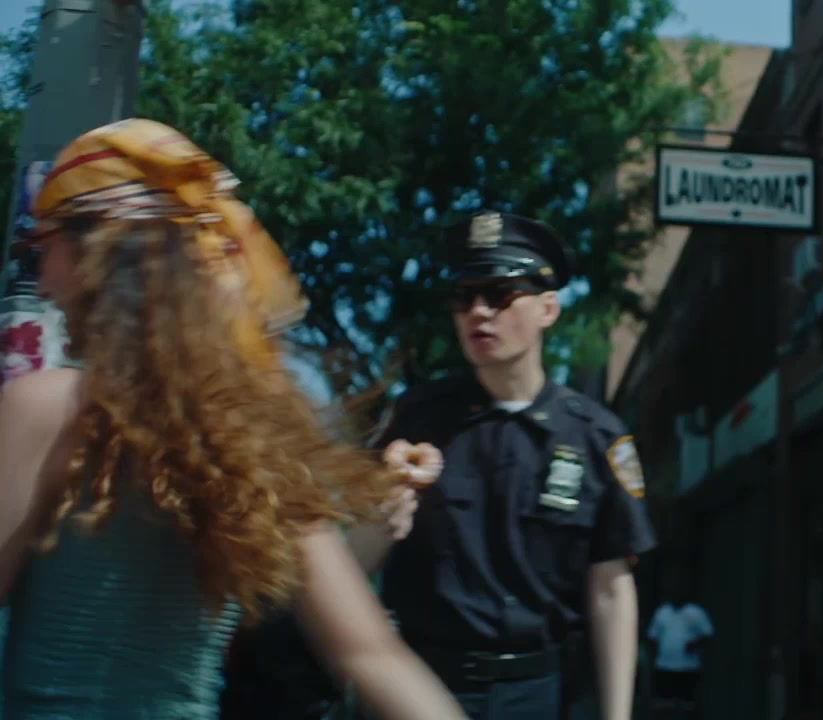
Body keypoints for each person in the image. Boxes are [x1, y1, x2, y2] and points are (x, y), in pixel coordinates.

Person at [0, 118, 465, 720]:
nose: (43, 280)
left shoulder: (44, 407)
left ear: (98, 255)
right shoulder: (256, 437)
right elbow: (372, 655)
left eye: (44, 248)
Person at [347, 211, 658, 720]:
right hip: (420, 684)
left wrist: (617, 714)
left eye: (499, 294)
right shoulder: (416, 421)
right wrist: (382, 511)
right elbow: (353, 565)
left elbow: (610, 588)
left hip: (538, 695)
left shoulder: (595, 437)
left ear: (548, 308)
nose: (478, 312)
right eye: (464, 297)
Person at [646, 579, 713, 717]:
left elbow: (708, 636)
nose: (676, 592)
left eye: (679, 589)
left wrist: (694, 645)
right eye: (673, 589)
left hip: (688, 668)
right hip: (664, 667)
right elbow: (652, 637)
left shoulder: (696, 612)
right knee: (664, 707)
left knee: (687, 708)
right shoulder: (662, 612)